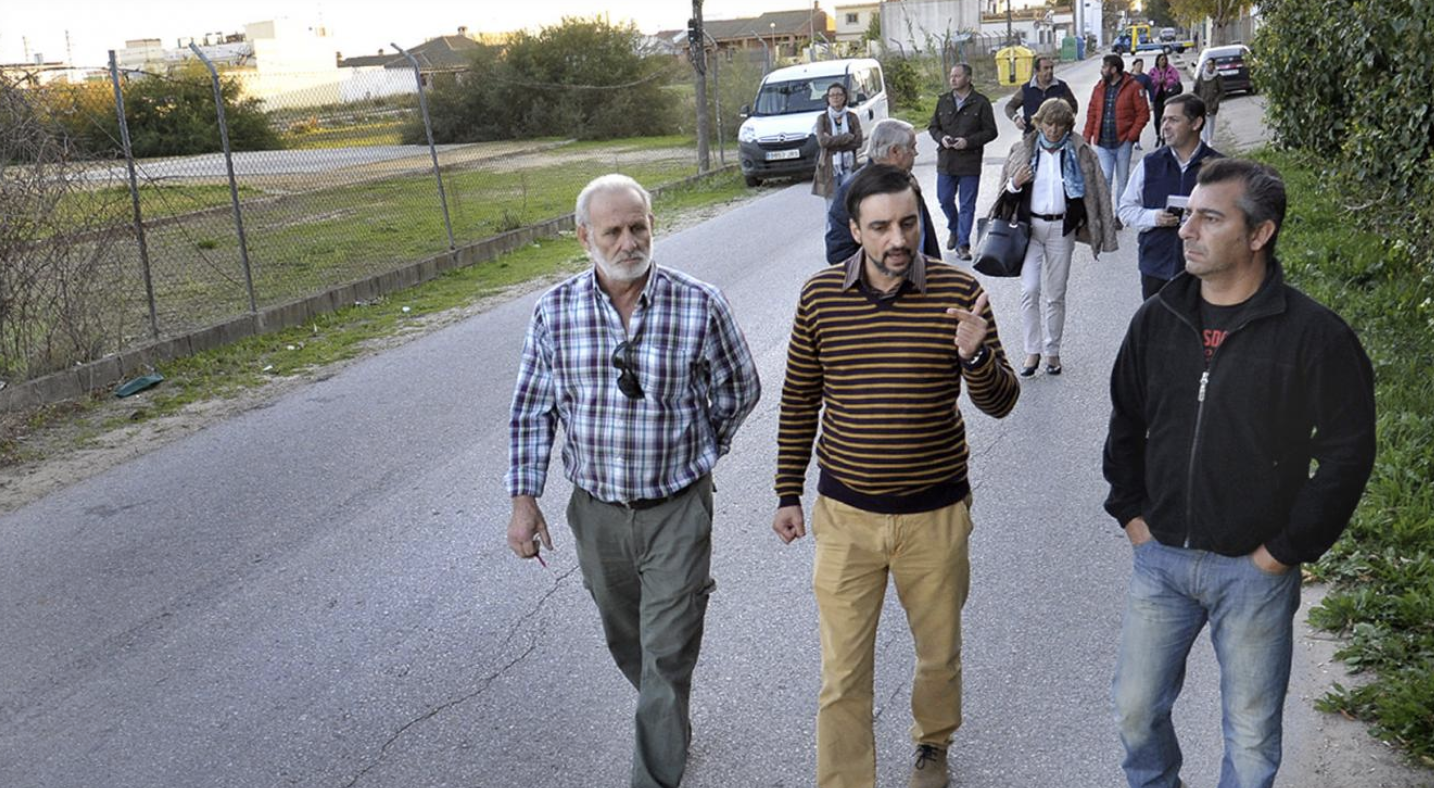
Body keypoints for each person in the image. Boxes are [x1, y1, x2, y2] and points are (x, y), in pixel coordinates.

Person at [1103, 158, 1377, 788]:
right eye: (1188, 213)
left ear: (1260, 234)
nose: (1185, 229)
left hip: (1255, 570)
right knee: (1136, 712)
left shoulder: (1314, 336)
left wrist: (1283, 551)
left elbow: (1347, 452)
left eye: (1209, 217)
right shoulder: (1156, 320)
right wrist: (1133, 515)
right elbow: (1124, 423)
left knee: (1251, 739)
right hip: (1161, 558)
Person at [506, 173, 761, 788]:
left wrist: (703, 452)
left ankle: (654, 770)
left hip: (677, 508)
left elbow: (739, 390)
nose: (628, 242)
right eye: (613, 231)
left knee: (667, 649)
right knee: (630, 641)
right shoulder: (555, 311)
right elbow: (532, 410)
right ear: (583, 236)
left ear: (653, 226)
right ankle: (668, 717)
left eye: (638, 227)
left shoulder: (699, 303)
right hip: (595, 513)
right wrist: (524, 501)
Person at [772, 164, 1021, 788]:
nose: (897, 240)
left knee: (938, 656)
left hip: (935, 517)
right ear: (855, 230)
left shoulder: (959, 291)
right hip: (845, 519)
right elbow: (800, 398)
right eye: (880, 227)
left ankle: (932, 745)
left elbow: (1002, 400)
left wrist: (978, 354)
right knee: (842, 674)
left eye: (907, 223)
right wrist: (786, 491)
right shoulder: (819, 297)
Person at [993, 98, 1118, 378]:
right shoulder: (1023, 150)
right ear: (1039, 123)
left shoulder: (1080, 151)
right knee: (1029, 290)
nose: (1053, 130)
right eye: (1049, 124)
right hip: (1030, 230)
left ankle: (1052, 352)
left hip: (1062, 229)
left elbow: (1097, 189)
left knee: (1056, 294)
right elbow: (1004, 195)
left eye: (1060, 126)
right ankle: (1031, 351)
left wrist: (1098, 223)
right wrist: (1016, 183)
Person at [1118, 94, 1223, 299]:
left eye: (1173, 120)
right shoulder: (1150, 164)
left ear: (1196, 123)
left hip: (1204, 270)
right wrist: (1154, 217)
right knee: (1157, 329)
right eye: (1164, 119)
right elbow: (1125, 209)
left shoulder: (1219, 167)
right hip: (1156, 267)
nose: (1164, 126)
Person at [826, 118, 941, 264]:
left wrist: (937, 274)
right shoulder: (852, 190)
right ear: (895, 151)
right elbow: (839, 252)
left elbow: (926, 237)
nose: (916, 153)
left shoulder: (907, 180)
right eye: (912, 147)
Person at [929, 63, 998, 260]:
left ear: (968, 78)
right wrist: (941, 138)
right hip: (946, 161)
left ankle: (963, 244)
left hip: (969, 161)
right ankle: (954, 227)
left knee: (967, 204)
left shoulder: (981, 102)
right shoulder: (943, 101)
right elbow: (933, 127)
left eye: (957, 76)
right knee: (944, 199)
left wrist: (968, 142)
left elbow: (991, 132)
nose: (953, 79)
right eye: (951, 76)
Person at [1084, 55, 1149, 209]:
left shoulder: (1134, 87)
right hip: (1102, 142)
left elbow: (1143, 114)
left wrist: (1131, 136)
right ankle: (1105, 213)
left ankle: (1121, 214)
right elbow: (1092, 113)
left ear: (1114, 69)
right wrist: (1087, 136)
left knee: (1122, 180)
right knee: (1105, 179)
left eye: (1104, 67)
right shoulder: (1099, 88)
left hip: (1122, 143)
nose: (1102, 70)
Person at [814, 82, 864, 208]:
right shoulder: (822, 119)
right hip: (829, 167)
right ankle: (832, 228)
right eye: (832, 95)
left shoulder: (852, 117)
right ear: (828, 99)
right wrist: (846, 138)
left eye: (838, 94)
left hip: (849, 165)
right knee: (831, 206)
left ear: (844, 97)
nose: (835, 97)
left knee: (849, 202)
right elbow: (823, 142)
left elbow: (858, 141)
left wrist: (833, 141)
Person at [1002, 56, 1079, 138]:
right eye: (1046, 68)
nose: (1050, 71)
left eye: (1051, 68)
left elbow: (1073, 106)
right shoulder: (1026, 89)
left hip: (1057, 136)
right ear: (1036, 71)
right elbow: (1010, 106)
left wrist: (1066, 123)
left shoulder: (1061, 87)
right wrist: (1016, 118)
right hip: (1031, 135)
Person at [1148, 53, 1183, 145]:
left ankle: (1165, 137)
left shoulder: (1171, 70)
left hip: (1168, 96)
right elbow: (1149, 83)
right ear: (1158, 61)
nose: (1163, 61)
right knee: (1157, 119)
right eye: (1161, 59)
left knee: (1166, 118)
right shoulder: (1153, 71)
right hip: (1157, 97)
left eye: (1165, 59)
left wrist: (1167, 82)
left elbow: (1176, 80)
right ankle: (1158, 135)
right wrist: (1158, 81)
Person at [1193, 58, 1225, 146]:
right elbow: (1196, 89)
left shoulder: (1217, 77)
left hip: (1212, 103)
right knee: (1203, 122)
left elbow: (1222, 91)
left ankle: (1210, 139)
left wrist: (1216, 101)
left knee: (1211, 122)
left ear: (1214, 65)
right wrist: (1196, 100)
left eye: (1211, 64)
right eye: (1207, 64)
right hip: (1202, 102)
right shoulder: (1201, 76)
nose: (1209, 66)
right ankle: (1204, 140)